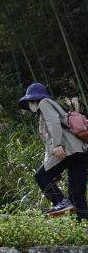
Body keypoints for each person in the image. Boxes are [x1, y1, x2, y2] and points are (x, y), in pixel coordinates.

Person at [18, 83, 88, 220]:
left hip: (68, 149)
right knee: (76, 193)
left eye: (29, 102)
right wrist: (54, 168)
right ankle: (83, 224)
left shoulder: (44, 103)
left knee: (40, 176)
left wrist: (57, 145)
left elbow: (53, 122)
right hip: (80, 151)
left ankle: (61, 202)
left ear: (33, 99)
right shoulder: (53, 105)